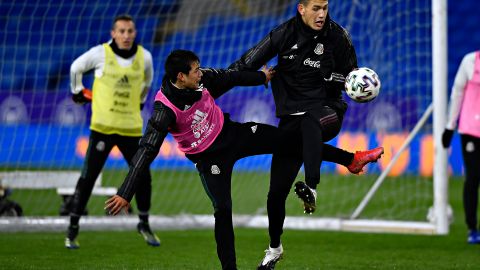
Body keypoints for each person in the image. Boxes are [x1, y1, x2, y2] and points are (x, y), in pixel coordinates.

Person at [104, 50, 379, 270]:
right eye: (195, 70)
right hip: (209, 160)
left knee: (292, 142)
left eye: (200, 68)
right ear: (181, 76)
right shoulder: (164, 110)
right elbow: (147, 150)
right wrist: (126, 193)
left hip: (234, 134)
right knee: (223, 210)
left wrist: (261, 78)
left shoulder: (203, 80)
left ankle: (352, 160)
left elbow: (231, 77)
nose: (201, 73)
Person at [228, 0, 384, 268]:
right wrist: (216, 83)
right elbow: (247, 62)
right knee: (275, 194)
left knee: (311, 121)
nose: (322, 13)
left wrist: (352, 85)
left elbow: (352, 78)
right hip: (291, 118)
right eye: (315, 8)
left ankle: (312, 186)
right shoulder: (283, 34)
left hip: (328, 112)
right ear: (301, 8)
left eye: (325, 7)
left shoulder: (338, 36)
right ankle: (274, 248)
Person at [65, 14, 159, 249]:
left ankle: (144, 223)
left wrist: (138, 104)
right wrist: (77, 91)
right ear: (113, 34)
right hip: (102, 129)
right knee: (88, 177)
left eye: (130, 31)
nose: (126, 35)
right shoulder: (100, 53)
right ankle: (73, 227)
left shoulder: (144, 57)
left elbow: (148, 82)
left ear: (135, 33)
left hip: (130, 129)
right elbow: (76, 67)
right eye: (122, 31)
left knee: (143, 177)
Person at [442, 50, 480, 244]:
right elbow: (457, 92)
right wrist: (450, 126)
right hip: (471, 130)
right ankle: (472, 228)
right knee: (473, 177)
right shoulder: (470, 61)